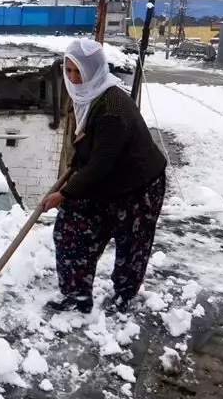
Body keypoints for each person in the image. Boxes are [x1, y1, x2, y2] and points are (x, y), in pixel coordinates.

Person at [41, 38, 167, 315]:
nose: (73, 78)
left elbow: (100, 164)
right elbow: (92, 147)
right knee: (70, 231)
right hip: (107, 178)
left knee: (131, 245)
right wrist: (77, 162)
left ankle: (124, 295)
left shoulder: (111, 107)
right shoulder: (88, 95)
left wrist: (64, 194)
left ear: (94, 71)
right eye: (69, 70)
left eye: (79, 72)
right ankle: (77, 296)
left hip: (139, 186)